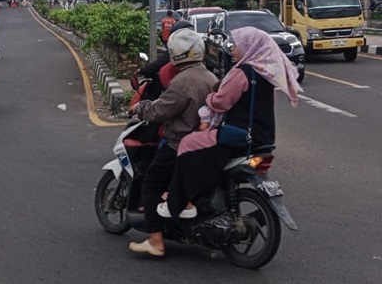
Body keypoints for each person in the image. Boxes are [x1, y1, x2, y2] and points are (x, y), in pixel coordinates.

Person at [159, 26, 302, 221]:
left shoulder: (242, 72)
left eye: (237, 44)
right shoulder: (264, 72)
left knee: (188, 143)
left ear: (248, 47)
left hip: (238, 134)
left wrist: (209, 98)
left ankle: (182, 201)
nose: (233, 47)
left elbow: (221, 102)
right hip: (263, 137)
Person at [127, 28, 217, 258]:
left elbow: (161, 109)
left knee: (152, 182)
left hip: (178, 144)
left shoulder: (182, 81)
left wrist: (142, 108)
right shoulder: (210, 77)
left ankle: (155, 240)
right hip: (206, 144)